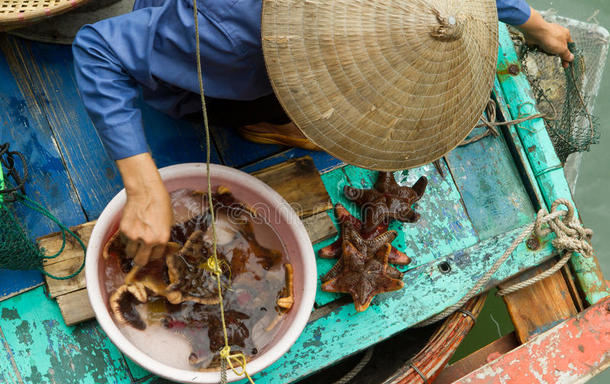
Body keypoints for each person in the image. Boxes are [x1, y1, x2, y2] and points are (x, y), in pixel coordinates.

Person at [72, 0, 573, 266]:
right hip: (207, 41)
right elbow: (97, 50)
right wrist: (144, 189)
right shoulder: (229, 31)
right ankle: (270, 121)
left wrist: (532, 22)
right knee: (194, 98)